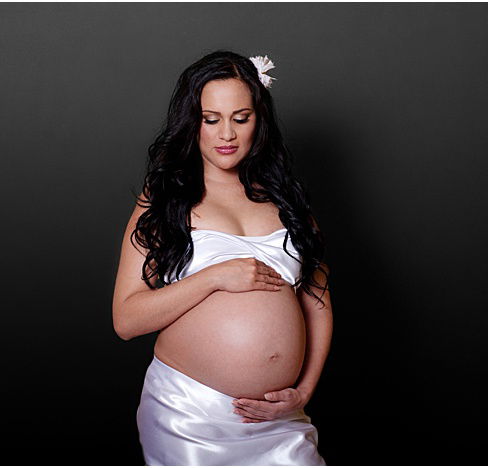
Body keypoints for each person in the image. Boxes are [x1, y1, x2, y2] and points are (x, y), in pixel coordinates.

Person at [110, 50, 333, 466]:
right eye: (211, 119)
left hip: (279, 420)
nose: (226, 133)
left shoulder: (288, 202)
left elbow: (318, 305)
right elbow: (126, 320)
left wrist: (303, 391)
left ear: (259, 120)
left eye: (240, 118)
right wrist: (215, 277)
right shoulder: (164, 200)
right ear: (191, 123)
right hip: (191, 416)